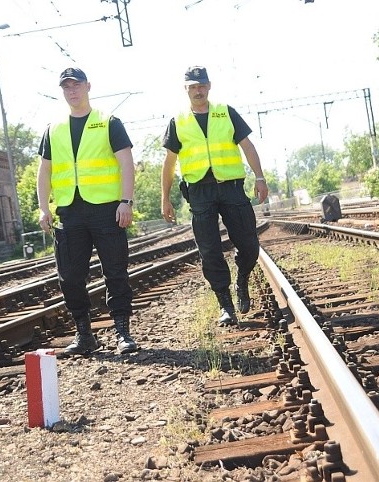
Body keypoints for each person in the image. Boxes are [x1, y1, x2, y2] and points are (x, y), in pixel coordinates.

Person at [37, 67, 138, 355]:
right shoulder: (53, 129)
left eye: (76, 85)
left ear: (88, 86)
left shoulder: (108, 122)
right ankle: (85, 336)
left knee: (115, 272)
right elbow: (44, 172)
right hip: (69, 212)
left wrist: (126, 201)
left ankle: (122, 333)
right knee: (69, 277)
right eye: (66, 86)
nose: (72, 90)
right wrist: (44, 209)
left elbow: (126, 163)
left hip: (108, 210)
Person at [161, 66, 268, 326]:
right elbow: (169, 162)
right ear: (185, 89)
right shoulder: (178, 122)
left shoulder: (226, 112)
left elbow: (247, 146)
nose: (198, 91)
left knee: (250, 245)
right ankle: (226, 305)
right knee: (210, 251)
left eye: (201, 85)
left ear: (209, 86)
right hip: (199, 191)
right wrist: (166, 197)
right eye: (192, 87)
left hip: (231, 186)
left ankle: (242, 279)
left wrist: (260, 177)